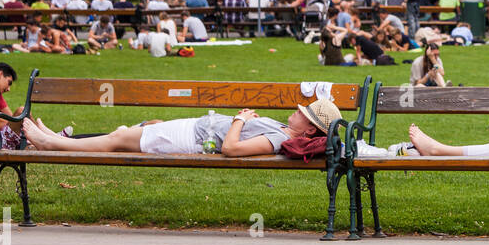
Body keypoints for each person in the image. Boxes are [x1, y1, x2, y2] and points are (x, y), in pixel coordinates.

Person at [24, 99, 340, 157]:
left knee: (118, 138)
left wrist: (241, 119)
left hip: (191, 139)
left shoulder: (275, 138)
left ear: (310, 131)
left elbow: (231, 150)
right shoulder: (282, 128)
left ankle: (52, 144)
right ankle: (52, 140)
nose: (297, 112)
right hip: (193, 129)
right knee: (122, 135)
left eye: (304, 114)